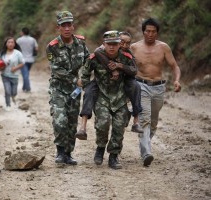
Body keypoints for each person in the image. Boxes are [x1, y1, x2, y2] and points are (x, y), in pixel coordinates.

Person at [80, 30, 136, 169]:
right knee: (102, 124)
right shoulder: (94, 58)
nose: (112, 47)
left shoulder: (126, 57)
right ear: (103, 44)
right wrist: (89, 89)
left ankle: (113, 156)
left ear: (119, 44)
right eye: (109, 44)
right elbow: (85, 74)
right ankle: (100, 148)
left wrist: (121, 68)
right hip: (102, 96)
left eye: (115, 44)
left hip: (120, 97)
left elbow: (134, 70)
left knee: (119, 127)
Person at [130, 18, 181, 167]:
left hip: (158, 87)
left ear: (157, 33)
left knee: (153, 123)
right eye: (147, 31)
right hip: (141, 85)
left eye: (153, 32)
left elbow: (174, 66)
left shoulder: (164, 47)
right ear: (143, 32)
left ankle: (144, 145)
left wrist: (177, 80)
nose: (150, 34)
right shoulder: (134, 47)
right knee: (144, 119)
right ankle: (147, 153)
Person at [75, 31, 143, 141]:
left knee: (136, 86)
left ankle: (136, 121)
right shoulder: (99, 53)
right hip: (101, 85)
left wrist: (119, 66)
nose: (124, 45)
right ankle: (82, 127)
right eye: (122, 42)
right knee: (89, 92)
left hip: (121, 86)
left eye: (127, 43)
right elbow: (88, 70)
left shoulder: (126, 55)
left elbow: (134, 70)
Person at [46, 11, 89, 165]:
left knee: (71, 121)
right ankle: (60, 151)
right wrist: (74, 79)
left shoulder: (81, 43)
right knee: (60, 120)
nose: (67, 28)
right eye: (63, 25)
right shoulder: (53, 47)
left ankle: (68, 154)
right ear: (58, 27)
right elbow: (56, 69)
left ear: (73, 26)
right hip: (58, 88)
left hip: (75, 91)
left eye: (69, 25)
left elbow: (88, 62)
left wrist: (84, 77)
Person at [0, 37, 24, 111]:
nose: (10, 44)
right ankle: (8, 105)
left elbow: (22, 63)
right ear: (6, 44)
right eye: (8, 42)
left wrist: (15, 68)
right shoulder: (2, 53)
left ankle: (13, 96)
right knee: (7, 91)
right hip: (5, 75)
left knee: (14, 92)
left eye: (12, 42)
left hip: (15, 76)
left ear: (14, 44)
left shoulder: (17, 53)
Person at [16, 27, 38, 93]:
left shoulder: (19, 40)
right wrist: (34, 54)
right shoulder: (33, 39)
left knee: (25, 75)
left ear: (22, 32)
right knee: (26, 74)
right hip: (31, 59)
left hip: (22, 60)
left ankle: (28, 88)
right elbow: (36, 48)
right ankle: (24, 87)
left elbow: (15, 49)